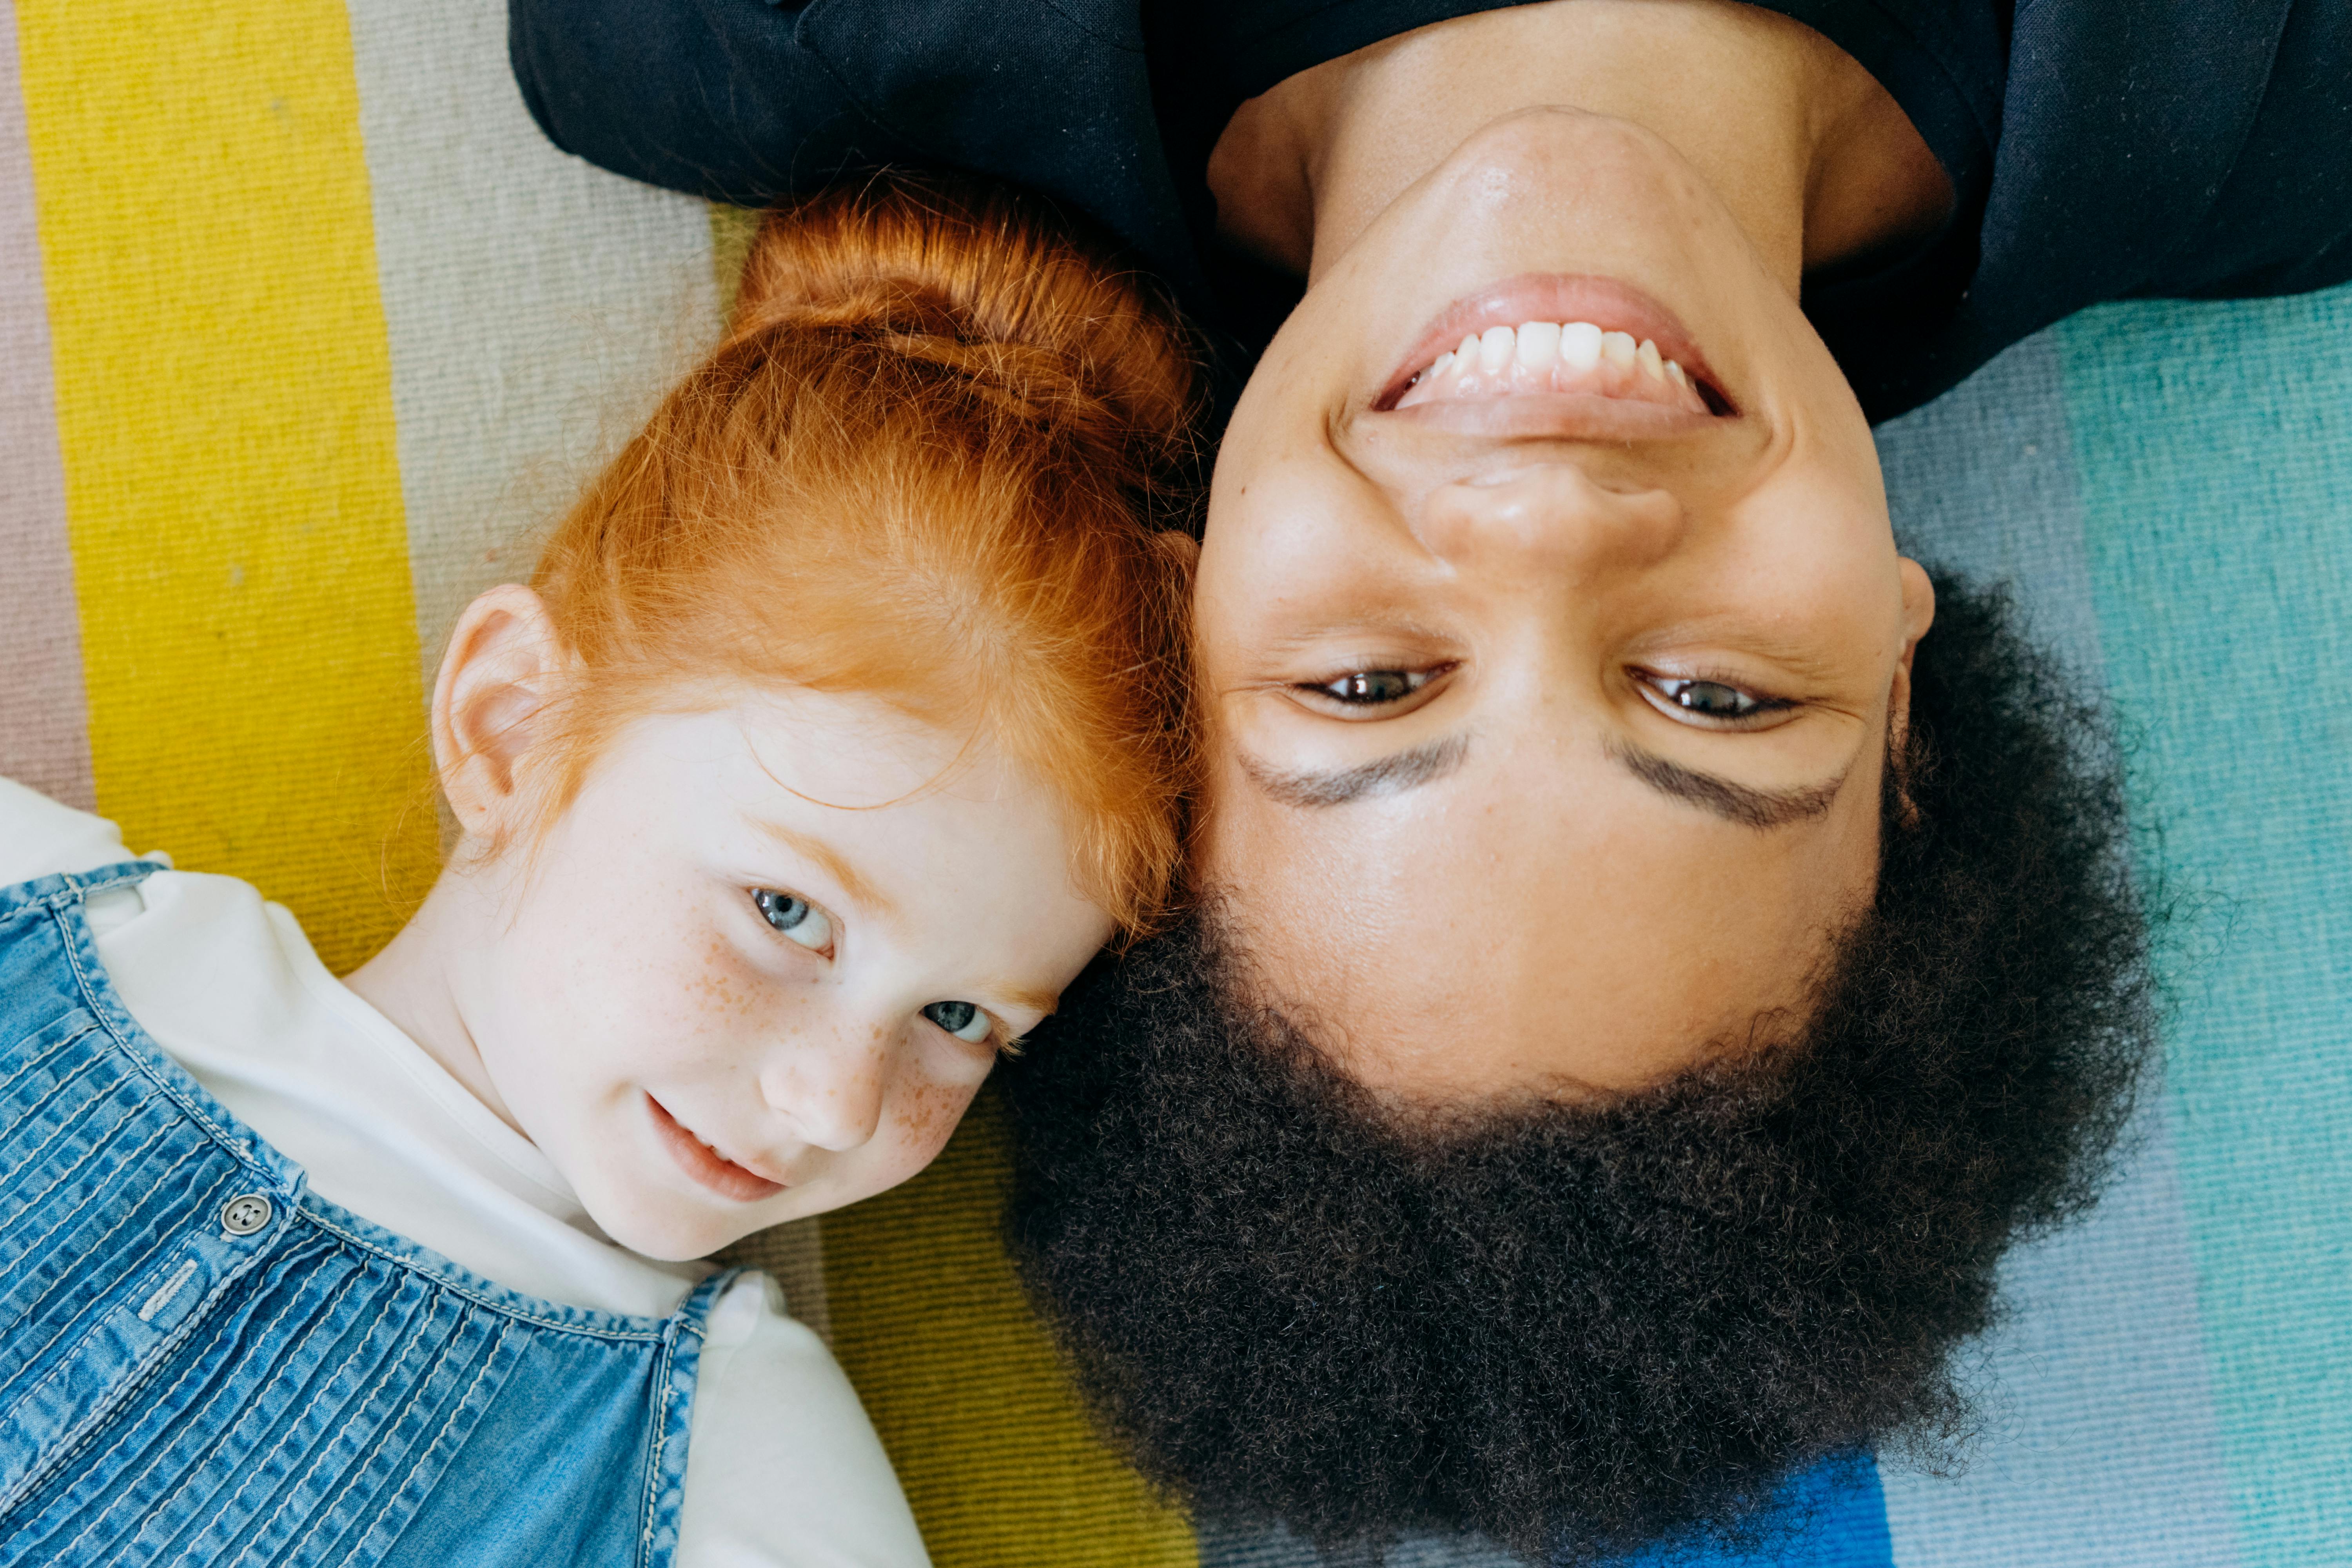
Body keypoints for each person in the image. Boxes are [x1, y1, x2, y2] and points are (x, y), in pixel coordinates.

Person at [506, 0, 2343, 1558]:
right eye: (1711, 696)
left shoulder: (720, 35)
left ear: (1168, 635)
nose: (1548, 515)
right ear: (1898, 676)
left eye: (1368, 685)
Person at [0, 173, 1199, 1565]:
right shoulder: (45, 919)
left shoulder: (736, 1468)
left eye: (959, 1022)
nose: (828, 1104)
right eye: (786, 912)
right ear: (512, 724)